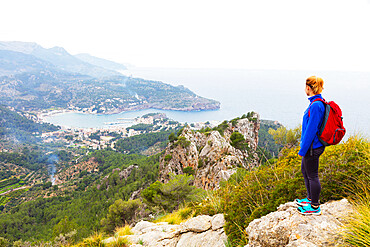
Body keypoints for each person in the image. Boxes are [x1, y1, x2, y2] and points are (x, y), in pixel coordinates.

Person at [295, 76, 326, 215]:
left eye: (305, 87)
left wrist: (303, 149)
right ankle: (309, 198)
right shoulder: (315, 102)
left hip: (313, 146)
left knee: (312, 175)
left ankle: (314, 206)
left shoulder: (316, 105)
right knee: (305, 170)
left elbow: (311, 130)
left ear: (309, 87)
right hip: (312, 146)